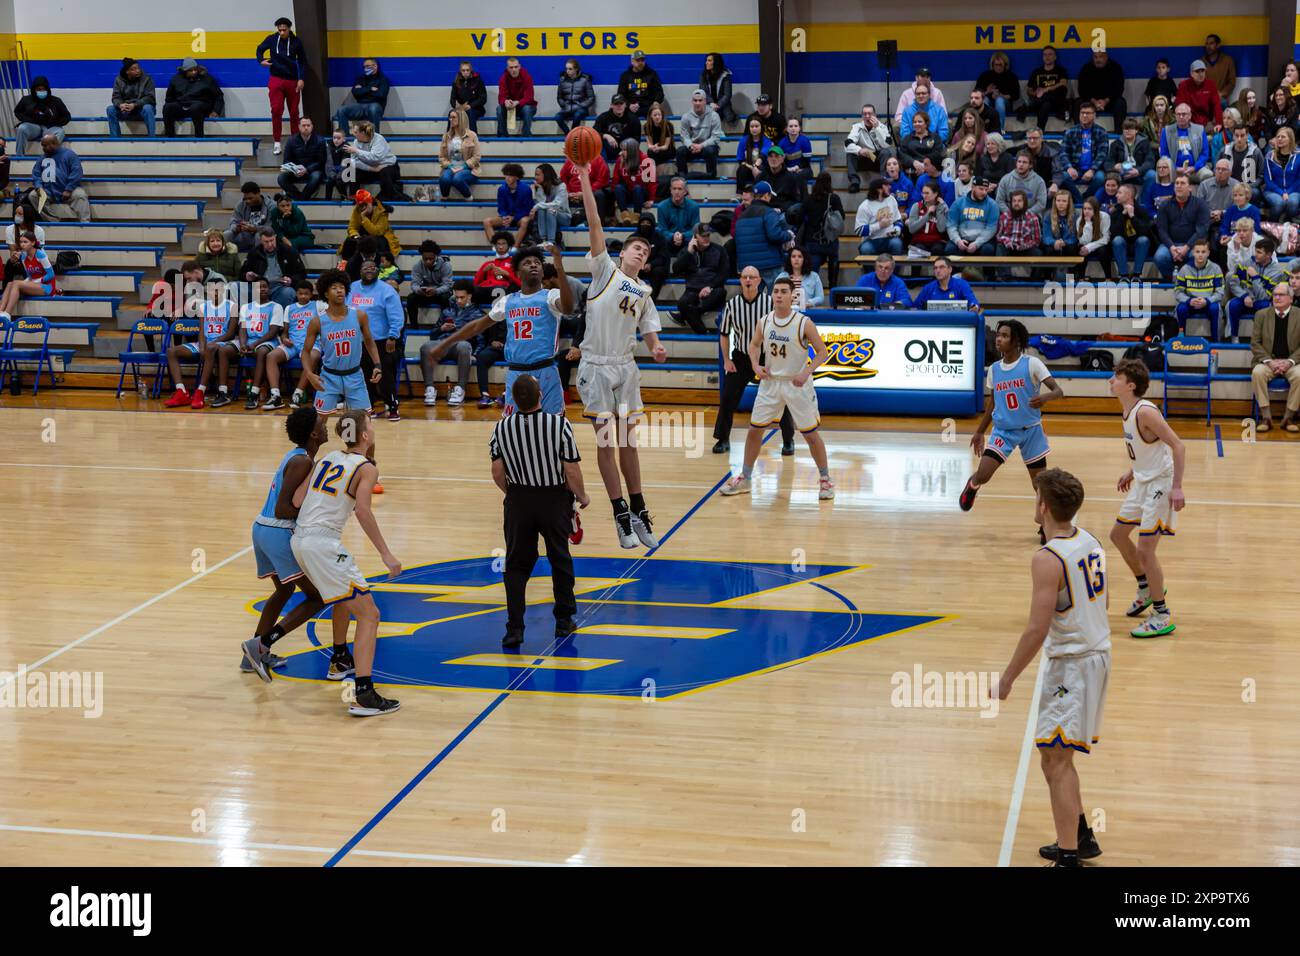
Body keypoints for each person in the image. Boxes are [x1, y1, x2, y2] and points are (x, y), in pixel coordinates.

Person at [990, 467, 1110, 867]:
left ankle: (1069, 858)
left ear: (1043, 506)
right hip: (1096, 654)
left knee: (1057, 760)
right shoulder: (1091, 541)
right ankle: (1080, 836)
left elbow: (1037, 629)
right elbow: (1102, 605)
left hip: (1073, 665)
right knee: (1053, 754)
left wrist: (1007, 678)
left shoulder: (1046, 559)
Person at [286, 408, 401, 716]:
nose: (374, 430)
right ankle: (364, 694)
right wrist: (386, 554)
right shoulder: (366, 469)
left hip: (300, 541)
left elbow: (297, 500)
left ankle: (339, 661)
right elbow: (363, 511)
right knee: (370, 615)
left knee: (346, 596)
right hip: (323, 542)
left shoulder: (325, 459)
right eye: (372, 426)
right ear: (364, 435)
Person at [489, 373, 588, 649]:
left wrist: (513, 494)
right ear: (540, 396)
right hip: (553, 499)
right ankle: (564, 620)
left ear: (513, 400)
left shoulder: (501, 427)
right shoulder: (559, 425)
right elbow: (570, 469)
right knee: (559, 558)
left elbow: (497, 471)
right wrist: (582, 496)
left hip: (518, 499)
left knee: (517, 565)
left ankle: (514, 629)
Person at [719, 277, 834, 500]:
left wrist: (806, 372)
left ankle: (825, 479)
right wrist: (755, 364)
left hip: (796, 384)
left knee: (810, 435)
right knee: (754, 431)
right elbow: (753, 346)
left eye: (783, 291)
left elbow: (822, 352)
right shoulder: (764, 321)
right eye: (776, 291)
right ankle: (746, 477)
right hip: (771, 383)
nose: (779, 295)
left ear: (793, 296)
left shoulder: (804, 322)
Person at [428, 244, 574, 415]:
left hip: (546, 370)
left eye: (537, 262)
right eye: (527, 263)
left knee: (553, 426)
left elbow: (568, 308)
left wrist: (559, 266)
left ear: (542, 272)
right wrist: (445, 343)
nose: (534, 264)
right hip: (516, 371)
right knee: (514, 427)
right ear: (518, 273)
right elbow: (476, 325)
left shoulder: (550, 295)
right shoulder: (508, 301)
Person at [239, 407, 329, 679]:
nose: (325, 425)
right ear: (313, 434)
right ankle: (262, 645)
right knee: (317, 597)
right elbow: (282, 508)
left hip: (263, 529)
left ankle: (252, 656)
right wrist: (316, 518)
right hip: (277, 531)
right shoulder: (303, 462)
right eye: (321, 423)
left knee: (284, 591)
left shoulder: (299, 456)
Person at [960, 319, 1063, 537]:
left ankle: (1046, 526)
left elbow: (1058, 391)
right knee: (984, 473)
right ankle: (973, 485)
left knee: (1039, 486)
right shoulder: (994, 369)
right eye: (998, 335)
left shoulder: (1032, 364)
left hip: (1031, 431)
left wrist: (1045, 397)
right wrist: (979, 431)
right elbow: (992, 403)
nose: (998, 339)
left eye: (1004, 335)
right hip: (1003, 431)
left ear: (1016, 341)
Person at [1108, 359, 1187, 638]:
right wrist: (1132, 470)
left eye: (1116, 378)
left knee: (1145, 550)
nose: (1110, 381)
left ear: (1130, 385)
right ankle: (1145, 587)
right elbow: (1147, 448)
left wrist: (1177, 487)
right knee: (1117, 535)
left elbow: (1178, 446)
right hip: (1143, 479)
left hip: (1161, 483)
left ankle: (1162, 614)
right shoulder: (1127, 409)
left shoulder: (1145, 412)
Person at [300, 270, 385, 483]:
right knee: (317, 426)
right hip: (329, 378)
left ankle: (369, 472)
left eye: (342, 287)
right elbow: (305, 352)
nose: (340, 291)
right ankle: (306, 467)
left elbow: (370, 341)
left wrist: (377, 365)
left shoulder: (359, 315)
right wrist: (309, 374)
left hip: (354, 376)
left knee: (364, 425)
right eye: (334, 287)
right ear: (325, 293)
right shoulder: (317, 322)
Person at [712, 267, 795, 454]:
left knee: (781, 397)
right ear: (740, 280)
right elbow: (724, 334)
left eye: (752, 277)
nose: (748, 280)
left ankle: (788, 440)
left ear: (759, 281)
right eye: (745, 277)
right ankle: (723, 439)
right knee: (727, 398)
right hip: (741, 358)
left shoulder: (769, 303)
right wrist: (726, 359)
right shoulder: (732, 304)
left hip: (768, 358)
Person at [162, 279, 238, 408]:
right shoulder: (203, 306)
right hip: (206, 342)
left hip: (225, 341)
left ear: (223, 290)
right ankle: (181, 392)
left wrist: (210, 344)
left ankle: (200, 391)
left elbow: (231, 333)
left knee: (210, 347)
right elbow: (202, 331)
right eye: (211, 289)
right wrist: (202, 346)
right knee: (171, 351)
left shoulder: (232, 306)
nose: (214, 292)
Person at [349, 258, 405, 422]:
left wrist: (393, 336)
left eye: (373, 267)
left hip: (382, 341)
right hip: (358, 341)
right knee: (364, 375)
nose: (369, 270)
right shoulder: (352, 288)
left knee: (386, 374)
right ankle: (370, 406)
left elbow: (396, 316)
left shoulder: (387, 290)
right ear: (360, 271)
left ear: (378, 271)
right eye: (365, 267)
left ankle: (392, 405)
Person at [419, 279, 482, 407]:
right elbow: (433, 334)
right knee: (425, 347)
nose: (458, 300)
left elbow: (481, 339)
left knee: (464, 345)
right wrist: (441, 328)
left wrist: (476, 353)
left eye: (462, 297)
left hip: (461, 346)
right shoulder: (447, 311)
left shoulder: (477, 314)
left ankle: (460, 389)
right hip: (443, 343)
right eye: (456, 297)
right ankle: (430, 389)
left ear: (469, 296)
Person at [260, 278, 319, 410]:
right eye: (300, 293)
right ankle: (276, 396)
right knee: (271, 356)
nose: (303, 296)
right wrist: (285, 339)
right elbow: (284, 332)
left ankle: (297, 394)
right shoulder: (289, 308)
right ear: (296, 294)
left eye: (306, 293)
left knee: (314, 356)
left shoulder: (318, 305)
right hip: (293, 344)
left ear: (311, 294)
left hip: (311, 344)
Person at [1249, 282, 1300, 432]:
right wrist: (1269, 362)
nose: (1277, 297)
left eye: (1281, 295)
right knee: (1257, 373)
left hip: (1293, 363)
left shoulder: (1299, 314)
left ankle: (1288, 417)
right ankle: (1266, 417)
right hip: (1268, 362)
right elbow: (1255, 343)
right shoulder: (1261, 314)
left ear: (1290, 298)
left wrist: (1289, 362)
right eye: (1275, 294)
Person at [256, 17, 306, 155]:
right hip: (276, 79)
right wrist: (261, 60)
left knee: (294, 112)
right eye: (279, 30)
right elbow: (259, 48)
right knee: (276, 109)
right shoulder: (272, 39)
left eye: (284, 30)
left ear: (289, 28)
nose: (282, 32)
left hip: (292, 80)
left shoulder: (296, 42)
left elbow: (302, 62)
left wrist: (301, 78)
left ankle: (295, 141)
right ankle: (277, 141)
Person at [734, 181, 794, 289]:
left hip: (748, 268)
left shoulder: (741, 216)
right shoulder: (769, 212)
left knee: (754, 303)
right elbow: (775, 235)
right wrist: (788, 235)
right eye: (770, 195)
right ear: (766, 195)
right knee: (776, 301)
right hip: (770, 265)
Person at [673, 223, 728, 333]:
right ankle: (703, 332)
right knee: (682, 303)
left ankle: (685, 315)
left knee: (721, 293)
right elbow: (676, 270)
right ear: (695, 237)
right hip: (692, 290)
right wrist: (689, 253)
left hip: (713, 289)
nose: (706, 238)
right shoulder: (687, 251)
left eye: (708, 235)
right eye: (703, 236)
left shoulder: (719, 250)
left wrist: (709, 287)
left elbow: (724, 273)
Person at [1227, 234, 1281, 343]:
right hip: (1245, 299)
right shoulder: (1246, 263)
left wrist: (1255, 277)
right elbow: (1233, 283)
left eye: (1259, 252)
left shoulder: (1276, 272)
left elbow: (1264, 297)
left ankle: (1262, 339)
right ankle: (1234, 338)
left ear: (1269, 255)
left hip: (1260, 302)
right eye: (1255, 251)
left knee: (1266, 307)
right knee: (1233, 305)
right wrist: (1244, 296)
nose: (1255, 254)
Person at [796, 171, 845, 286]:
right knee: (834, 258)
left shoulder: (808, 199)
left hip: (812, 241)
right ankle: (833, 286)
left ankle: (812, 296)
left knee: (812, 274)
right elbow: (841, 217)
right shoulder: (833, 198)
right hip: (830, 240)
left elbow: (798, 218)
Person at [241, 226, 307, 309]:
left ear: (275, 237)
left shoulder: (289, 251)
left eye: (272, 240)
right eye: (266, 241)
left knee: (288, 292)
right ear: (261, 240)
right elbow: (242, 273)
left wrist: (291, 280)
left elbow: (301, 273)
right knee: (238, 287)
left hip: (280, 287)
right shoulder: (254, 253)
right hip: (258, 287)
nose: (270, 244)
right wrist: (247, 276)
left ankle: (277, 318)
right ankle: (246, 318)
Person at [1057, 102, 1110, 202]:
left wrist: (1092, 170)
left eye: (1088, 113)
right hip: (1075, 168)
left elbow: (1102, 155)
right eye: (1082, 113)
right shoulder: (1070, 132)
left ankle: (1086, 197)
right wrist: (1069, 168)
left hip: (1094, 169)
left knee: (1100, 178)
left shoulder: (1101, 132)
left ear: (1094, 115)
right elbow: (1063, 152)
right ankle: (1079, 199)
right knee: (1063, 176)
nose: (1084, 115)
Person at [1173, 237, 1225, 339]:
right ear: (1193, 253)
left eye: (1203, 252)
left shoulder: (1216, 268)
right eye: (1197, 251)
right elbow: (1178, 292)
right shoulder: (1184, 269)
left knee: (1216, 308)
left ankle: (1216, 342)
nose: (1200, 254)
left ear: (1208, 253)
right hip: (1191, 302)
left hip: (1208, 303)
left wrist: (1207, 301)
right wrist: (1189, 300)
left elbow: (1220, 292)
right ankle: (1179, 340)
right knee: (1180, 308)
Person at [31, 134, 90, 222]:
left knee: (80, 195)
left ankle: (85, 223)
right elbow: (36, 174)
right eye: (43, 145)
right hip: (48, 190)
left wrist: (69, 189)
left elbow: (77, 172)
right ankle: (53, 221)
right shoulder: (41, 158)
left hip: (67, 188)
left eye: (47, 145)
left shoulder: (69, 154)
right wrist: (39, 187)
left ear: (55, 143)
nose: (44, 148)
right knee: (33, 196)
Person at [162, 58, 223, 137]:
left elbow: (218, 96)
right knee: (167, 107)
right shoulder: (176, 79)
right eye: (190, 70)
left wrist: (216, 111)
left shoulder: (207, 79)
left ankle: (199, 136)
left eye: (195, 69)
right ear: (184, 71)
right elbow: (169, 98)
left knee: (195, 107)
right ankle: (169, 136)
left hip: (201, 105)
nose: (194, 72)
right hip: (182, 105)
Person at [345, 120, 404, 201]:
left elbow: (375, 157)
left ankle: (386, 199)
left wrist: (357, 151)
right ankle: (354, 195)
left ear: (363, 133)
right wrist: (372, 169)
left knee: (385, 172)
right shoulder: (356, 142)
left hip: (387, 165)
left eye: (355, 132)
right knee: (351, 167)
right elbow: (354, 161)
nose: (352, 133)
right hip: (372, 168)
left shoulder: (378, 139)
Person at [0, 230, 53, 319]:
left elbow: (51, 275)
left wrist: (36, 281)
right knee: (10, 283)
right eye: (21, 242)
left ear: (32, 243)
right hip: (34, 284)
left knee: (16, 283)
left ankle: (7, 313)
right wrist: (28, 281)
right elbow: (29, 275)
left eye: (25, 242)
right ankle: (1, 311)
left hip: (47, 286)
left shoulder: (41, 254)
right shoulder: (24, 257)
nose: (22, 244)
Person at [13, 76, 69, 154]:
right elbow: (17, 111)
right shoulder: (26, 100)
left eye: (44, 89)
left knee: (60, 131)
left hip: (49, 128)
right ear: (34, 90)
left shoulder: (56, 101)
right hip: (33, 127)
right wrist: (27, 120)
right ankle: (19, 157)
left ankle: (49, 156)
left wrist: (55, 123)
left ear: (47, 89)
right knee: (22, 128)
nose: (41, 91)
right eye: (39, 89)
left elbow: (66, 116)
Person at [1159, 103, 1212, 185]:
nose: (1181, 117)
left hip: (1195, 170)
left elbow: (1204, 153)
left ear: (1190, 115)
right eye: (1178, 114)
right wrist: (1176, 168)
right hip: (1174, 170)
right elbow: (1164, 154)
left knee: (1208, 175)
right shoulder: (1166, 131)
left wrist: (1194, 167)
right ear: (1175, 116)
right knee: (1162, 174)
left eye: (1184, 114)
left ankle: (1201, 197)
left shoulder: (1199, 130)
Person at [483, 162, 535, 245]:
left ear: (517, 177)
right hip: (508, 216)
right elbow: (501, 208)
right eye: (506, 175)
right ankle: (495, 246)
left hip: (520, 217)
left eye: (510, 175)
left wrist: (513, 218)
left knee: (525, 221)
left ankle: (515, 247)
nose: (507, 177)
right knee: (487, 221)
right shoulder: (502, 189)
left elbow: (527, 210)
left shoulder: (526, 189)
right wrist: (505, 217)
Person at [1109, 182, 1154, 279]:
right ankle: (1124, 276)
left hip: (1138, 247)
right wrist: (1123, 215)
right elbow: (1114, 234)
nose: (1116, 195)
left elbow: (1145, 233)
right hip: (1121, 248)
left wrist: (1132, 217)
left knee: (1143, 240)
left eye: (1119, 193)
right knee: (1117, 240)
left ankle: (1136, 276)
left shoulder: (1142, 211)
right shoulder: (1115, 212)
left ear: (1129, 195)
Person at [844, 103, 892, 192]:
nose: (867, 116)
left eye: (870, 114)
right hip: (863, 158)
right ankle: (855, 183)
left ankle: (882, 182)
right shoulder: (857, 127)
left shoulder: (882, 127)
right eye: (864, 114)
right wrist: (859, 150)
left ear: (875, 115)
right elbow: (847, 144)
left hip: (877, 160)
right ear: (862, 116)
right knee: (850, 153)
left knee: (886, 152)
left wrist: (877, 129)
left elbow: (886, 145)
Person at [341, 189, 400, 261]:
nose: (363, 208)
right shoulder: (357, 209)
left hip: (380, 237)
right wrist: (356, 236)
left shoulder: (381, 210)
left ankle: (378, 265)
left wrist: (363, 217)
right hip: (364, 235)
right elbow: (352, 227)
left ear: (370, 202)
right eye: (360, 205)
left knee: (378, 242)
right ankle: (346, 264)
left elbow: (377, 232)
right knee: (350, 241)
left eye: (365, 205)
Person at [946, 176, 999, 256]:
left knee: (988, 250)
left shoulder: (992, 205)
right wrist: (958, 240)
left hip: (983, 241)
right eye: (981, 189)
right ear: (973, 187)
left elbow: (991, 228)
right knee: (950, 250)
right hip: (962, 239)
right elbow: (951, 225)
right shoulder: (958, 203)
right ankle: (955, 269)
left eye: (986, 189)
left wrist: (977, 243)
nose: (984, 192)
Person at [1076, 48, 1127, 129]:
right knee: (1078, 102)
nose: (1098, 60)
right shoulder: (1087, 68)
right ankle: (1079, 131)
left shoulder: (1115, 68)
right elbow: (1082, 89)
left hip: (1109, 102)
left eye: (1101, 57)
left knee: (1120, 103)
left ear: (1106, 57)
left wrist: (1105, 101)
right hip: (1091, 102)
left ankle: (1119, 132)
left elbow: (1119, 88)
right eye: (1095, 57)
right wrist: (1094, 101)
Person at [437, 105, 480, 201]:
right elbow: (441, 157)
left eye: (453, 117)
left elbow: (476, 157)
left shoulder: (472, 135)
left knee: (457, 179)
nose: (450, 119)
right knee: (444, 179)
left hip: (468, 169)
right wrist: (449, 166)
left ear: (461, 119)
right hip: (451, 167)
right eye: (450, 117)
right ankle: (445, 199)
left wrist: (463, 167)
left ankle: (469, 198)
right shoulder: (446, 136)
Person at [677, 90, 723, 179]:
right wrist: (690, 145)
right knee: (680, 151)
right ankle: (682, 178)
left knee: (710, 151)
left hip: (707, 147)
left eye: (700, 100)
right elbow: (684, 136)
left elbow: (716, 137)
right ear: (692, 101)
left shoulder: (714, 116)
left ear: (705, 101)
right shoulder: (686, 116)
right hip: (692, 147)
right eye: (695, 100)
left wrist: (701, 146)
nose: (697, 103)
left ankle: (711, 176)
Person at [335, 58, 389, 133]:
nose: (365, 68)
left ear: (375, 66)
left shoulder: (383, 80)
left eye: (367, 66)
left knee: (373, 109)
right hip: (360, 105)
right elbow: (355, 93)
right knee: (341, 110)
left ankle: (374, 137)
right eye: (364, 67)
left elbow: (381, 95)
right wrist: (370, 89)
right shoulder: (360, 79)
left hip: (375, 105)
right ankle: (345, 138)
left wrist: (363, 90)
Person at [278, 117, 325, 199]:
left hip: (312, 171)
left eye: (308, 125)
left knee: (316, 176)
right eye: (303, 125)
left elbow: (321, 161)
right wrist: (294, 168)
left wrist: (306, 169)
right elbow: (286, 160)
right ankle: (298, 197)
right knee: (281, 178)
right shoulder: (291, 140)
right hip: (296, 171)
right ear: (299, 127)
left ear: (312, 127)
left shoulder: (320, 140)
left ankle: (302, 198)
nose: (306, 127)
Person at [107, 57, 155, 137]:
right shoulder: (119, 80)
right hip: (126, 110)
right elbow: (115, 97)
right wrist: (120, 105)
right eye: (134, 69)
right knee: (110, 109)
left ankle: (152, 138)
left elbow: (150, 97)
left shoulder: (147, 79)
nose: (138, 71)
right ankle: (115, 139)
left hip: (141, 109)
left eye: (138, 68)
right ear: (127, 72)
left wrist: (135, 105)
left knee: (148, 108)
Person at [912, 255, 981, 312]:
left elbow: (973, 302)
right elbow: (915, 307)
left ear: (950, 269)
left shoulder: (962, 284)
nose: (938, 270)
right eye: (935, 268)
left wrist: (974, 307)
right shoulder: (928, 288)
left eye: (941, 267)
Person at [611, 139, 656, 225]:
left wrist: (651, 199)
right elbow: (615, 180)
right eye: (622, 150)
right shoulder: (620, 160)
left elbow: (652, 182)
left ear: (632, 150)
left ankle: (636, 216)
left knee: (637, 188)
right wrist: (616, 198)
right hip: (629, 191)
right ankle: (625, 215)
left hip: (642, 193)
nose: (621, 153)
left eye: (624, 150)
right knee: (618, 188)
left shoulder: (645, 160)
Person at [1025, 45, 1069, 128]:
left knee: (1059, 91)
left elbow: (1063, 83)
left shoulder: (1060, 71)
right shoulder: (1036, 72)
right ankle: (1040, 130)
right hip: (1041, 103)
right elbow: (1029, 90)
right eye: (1045, 55)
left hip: (1056, 103)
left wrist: (1045, 90)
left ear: (1055, 57)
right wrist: (1035, 93)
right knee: (1046, 104)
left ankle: (1039, 130)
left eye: (1050, 54)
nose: (1047, 57)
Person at [975, 51, 1020, 131]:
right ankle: (983, 128)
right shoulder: (985, 76)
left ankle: (999, 129)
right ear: (992, 65)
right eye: (996, 65)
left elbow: (1016, 95)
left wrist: (1001, 96)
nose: (998, 67)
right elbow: (975, 95)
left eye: (1001, 65)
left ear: (1005, 65)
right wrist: (987, 92)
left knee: (999, 101)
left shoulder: (1011, 76)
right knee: (984, 100)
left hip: (1004, 105)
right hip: (989, 102)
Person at [1107, 118, 1156, 191]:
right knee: (1110, 177)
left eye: (1130, 129)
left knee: (1152, 175)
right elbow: (1108, 161)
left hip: (1139, 172)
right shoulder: (1116, 144)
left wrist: (1138, 170)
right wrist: (1114, 166)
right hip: (1122, 173)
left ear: (1136, 130)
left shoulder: (1145, 143)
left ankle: (1143, 200)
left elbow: (1150, 161)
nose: (1127, 131)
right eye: (1125, 129)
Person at [1176, 59, 1223, 131]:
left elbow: (1216, 104)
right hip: (1189, 122)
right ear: (1191, 73)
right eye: (1197, 71)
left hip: (1207, 122)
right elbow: (1180, 106)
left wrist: (1219, 122)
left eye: (1203, 71)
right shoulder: (1184, 85)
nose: (1201, 74)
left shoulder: (1210, 84)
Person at [530, 163, 569, 246]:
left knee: (550, 209)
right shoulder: (540, 186)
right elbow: (541, 203)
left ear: (546, 175)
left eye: (538, 175)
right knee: (542, 209)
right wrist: (538, 189)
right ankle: (543, 240)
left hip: (564, 217)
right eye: (535, 175)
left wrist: (537, 206)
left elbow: (556, 204)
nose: (535, 177)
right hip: (548, 216)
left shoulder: (561, 186)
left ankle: (551, 241)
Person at [905, 181, 949, 255]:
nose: (924, 196)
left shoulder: (942, 207)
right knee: (918, 249)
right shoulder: (916, 206)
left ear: (935, 194)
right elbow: (912, 229)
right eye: (923, 193)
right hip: (919, 240)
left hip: (937, 240)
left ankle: (938, 267)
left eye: (927, 193)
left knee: (937, 249)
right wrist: (927, 214)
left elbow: (941, 229)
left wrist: (939, 210)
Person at [496, 57, 537, 136]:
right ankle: (503, 136)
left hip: (525, 106)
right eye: (511, 67)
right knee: (499, 109)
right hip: (511, 107)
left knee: (527, 109)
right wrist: (506, 101)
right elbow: (501, 96)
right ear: (507, 68)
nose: (514, 70)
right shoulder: (503, 78)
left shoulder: (527, 77)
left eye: (516, 67)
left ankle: (526, 135)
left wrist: (517, 102)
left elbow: (529, 97)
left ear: (519, 66)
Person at [616, 50, 663, 117]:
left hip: (648, 107)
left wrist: (656, 102)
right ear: (632, 61)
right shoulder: (625, 76)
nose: (640, 63)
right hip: (630, 107)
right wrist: (629, 105)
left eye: (642, 60)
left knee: (656, 112)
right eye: (638, 60)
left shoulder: (652, 74)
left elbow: (659, 93)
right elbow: (620, 95)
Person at [776, 245, 824, 310]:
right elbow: (774, 295)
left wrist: (809, 303)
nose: (796, 259)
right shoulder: (782, 276)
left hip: (807, 312)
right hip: (786, 312)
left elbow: (820, 297)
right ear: (789, 259)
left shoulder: (814, 276)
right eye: (793, 256)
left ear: (804, 259)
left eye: (800, 256)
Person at [555, 59, 596, 133]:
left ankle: (573, 133)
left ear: (576, 69)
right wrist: (563, 104)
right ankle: (569, 134)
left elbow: (591, 97)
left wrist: (582, 105)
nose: (567, 71)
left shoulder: (585, 80)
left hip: (580, 109)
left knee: (577, 115)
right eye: (566, 69)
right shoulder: (562, 80)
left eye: (570, 69)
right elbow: (559, 97)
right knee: (557, 117)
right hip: (567, 108)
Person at [594, 93, 637, 163]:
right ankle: (604, 171)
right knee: (598, 147)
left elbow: (636, 139)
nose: (619, 106)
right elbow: (593, 134)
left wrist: (625, 151)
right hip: (607, 150)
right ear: (611, 105)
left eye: (621, 103)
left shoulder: (633, 119)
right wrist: (605, 136)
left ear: (625, 105)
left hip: (626, 150)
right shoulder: (603, 117)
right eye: (616, 104)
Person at [643, 103, 676, 186]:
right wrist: (653, 147)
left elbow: (666, 146)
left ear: (662, 115)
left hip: (667, 150)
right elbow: (649, 145)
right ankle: (653, 179)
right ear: (651, 116)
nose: (657, 117)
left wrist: (658, 148)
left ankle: (656, 177)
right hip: (656, 149)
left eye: (659, 115)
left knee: (656, 156)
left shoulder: (668, 125)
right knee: (650, 153)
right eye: (655, 115)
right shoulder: (647, 126)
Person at [450, 61, 487, 132]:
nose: (465, 72)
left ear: (471, 70)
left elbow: (483, 98)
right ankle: (451, 136)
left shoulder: (478, 81)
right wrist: (457, 106)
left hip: (476, 109)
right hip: (461, 108)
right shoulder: (456, 82)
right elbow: (452, 99)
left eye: (467, 70)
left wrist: (470, 105)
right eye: (463, 70)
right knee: (451, 113)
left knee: (470, 112)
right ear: (460, 71)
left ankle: (472, 137)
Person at [700, 53, 735, 124]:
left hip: (722, 106)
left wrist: (718, 105)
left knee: (728, 115)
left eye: (709, 60)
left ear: (716, 62)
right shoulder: (703, 75)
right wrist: (711, 103)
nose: (706, 62)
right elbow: (702, 92)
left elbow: (727, 95)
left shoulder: (725, 75)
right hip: (710, 105)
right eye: (706, 60)